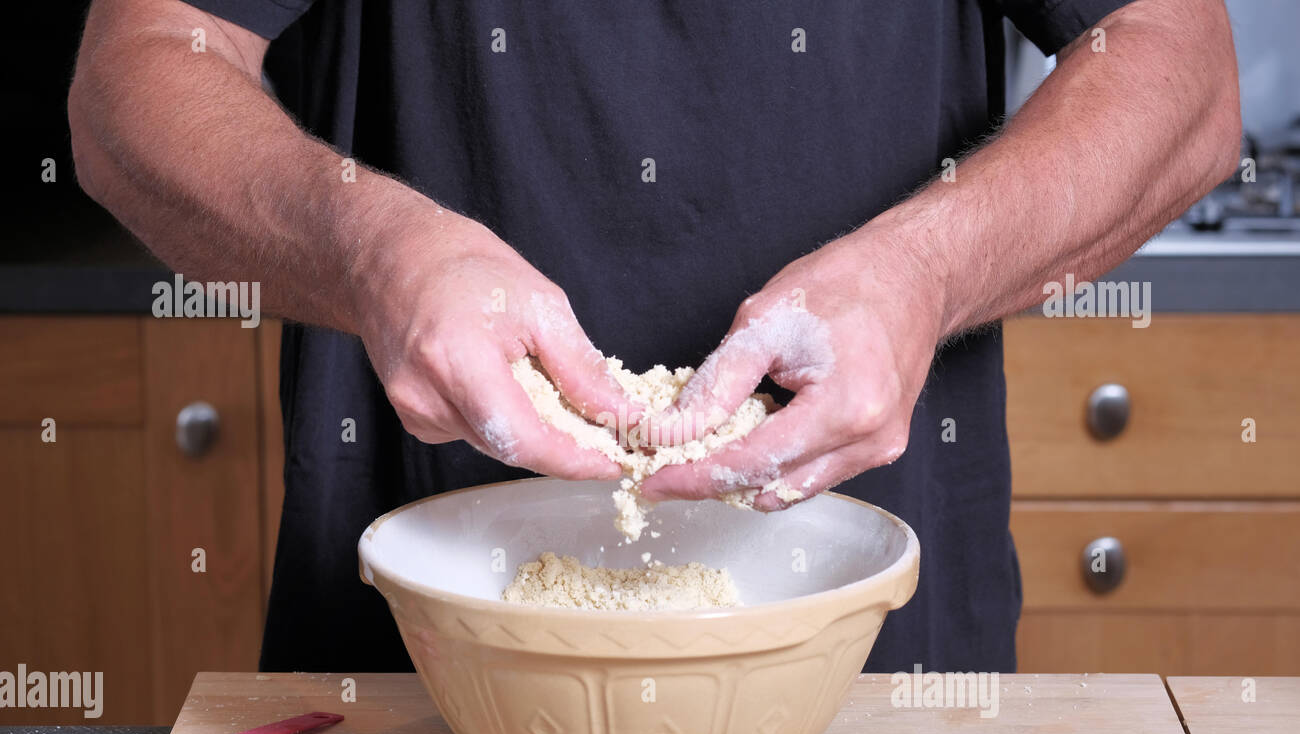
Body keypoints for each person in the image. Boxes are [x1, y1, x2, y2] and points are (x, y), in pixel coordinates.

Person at [68, 0, 1240, 673]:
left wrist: (923, 273)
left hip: (869, 675)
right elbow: (136, 75)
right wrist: (369, 243)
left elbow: (1175, 60)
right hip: (418, 675)